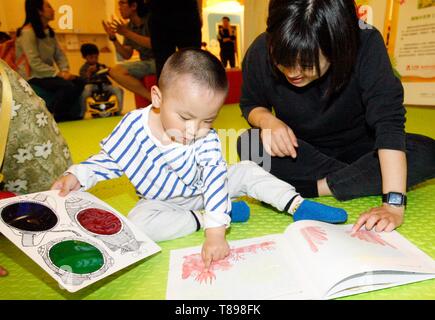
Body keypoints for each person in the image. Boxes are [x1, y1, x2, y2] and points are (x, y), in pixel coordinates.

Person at [51, 49, 347, 268]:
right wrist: (77, 175)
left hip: (205, 190)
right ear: (157, 98)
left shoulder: (206, 139)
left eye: (208, 120)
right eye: (185, 117)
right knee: (137, 224)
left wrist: (216, 235)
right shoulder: (132, 126)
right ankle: (210, 216)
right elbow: (109, 160)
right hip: (164, 202)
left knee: (245, 169)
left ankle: (295, 204)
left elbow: (216, 182)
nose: (194, 130)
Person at [237, 0, 435, 234]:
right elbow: (251, 104)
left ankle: (316, 188)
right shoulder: (261, 49)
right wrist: (267, 121)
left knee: (427, 152)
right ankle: (361, 179)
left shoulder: (366, 42)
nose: (292, 73)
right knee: (249, 144)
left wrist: (393, 203)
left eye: (307, 64)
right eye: (283, 60)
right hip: (301, 151)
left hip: (363, 149)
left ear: (338, 44)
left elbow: (388, 123)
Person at [15, 0, 85, 122]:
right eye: (49, 7)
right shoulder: (27, 32)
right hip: (34, 76)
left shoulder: (49, 32)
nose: (53, 10)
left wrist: (65, 70)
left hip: (48, 75)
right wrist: (58, 74)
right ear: (39, 11)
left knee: (80, 81)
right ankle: (55, 115)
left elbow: (59, 55)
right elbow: (34, 63)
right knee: (67, 86)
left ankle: (71, 114)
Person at [102, 0, 155, 101]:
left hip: (161, 60)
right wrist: (113, 39)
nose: (119, 8)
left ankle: (153, 99)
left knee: (117, 70)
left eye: (122, 3)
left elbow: (155, 44)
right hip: (146, 62)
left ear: (134, 6)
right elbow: (126, 54)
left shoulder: (150, 19)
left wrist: (126, 33)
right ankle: (151, 98)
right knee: (115, 71)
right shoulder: (129, 27)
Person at [148, 0, 202, 79]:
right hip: (180, 13)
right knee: (191, 62)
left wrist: (199, 11)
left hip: (183, 12)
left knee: (191, 62)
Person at [79, 43, 124, 116]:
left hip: (104, 85)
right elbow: (83, 80)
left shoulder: (101, 66)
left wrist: (109, 70)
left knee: (118, 90)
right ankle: (82, 113)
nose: (94, 60)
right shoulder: (83, 68)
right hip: (91, 85)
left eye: (96, 57)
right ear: (85, 57)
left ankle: (118, 111)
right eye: (91, 57)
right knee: (85, 92)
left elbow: (110, 74)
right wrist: (89, 72)